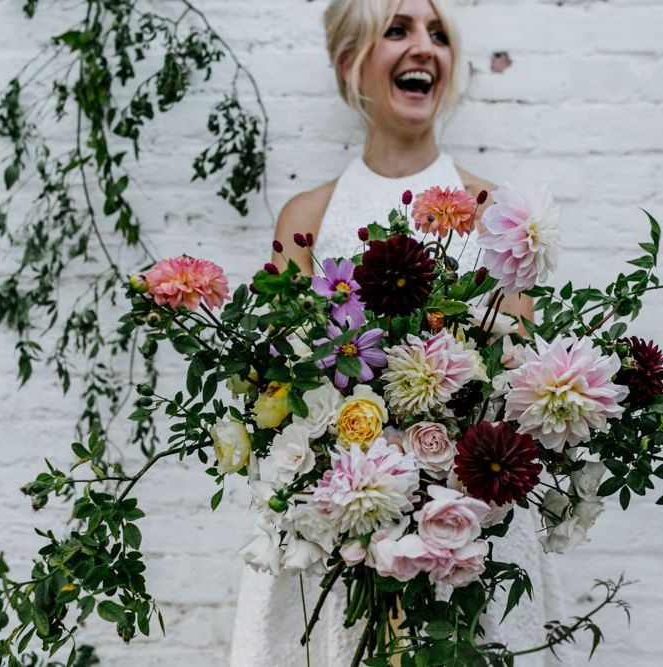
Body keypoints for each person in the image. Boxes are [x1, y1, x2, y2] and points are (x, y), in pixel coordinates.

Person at [230, 1, 569, 665]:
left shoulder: (495, 214)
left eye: (438, 34)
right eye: (398, 29)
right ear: (348, 62)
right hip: (341, 536)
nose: (424, 47)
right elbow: (281, 390)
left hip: (472, 539)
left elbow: (521, 394)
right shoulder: (308, 216)